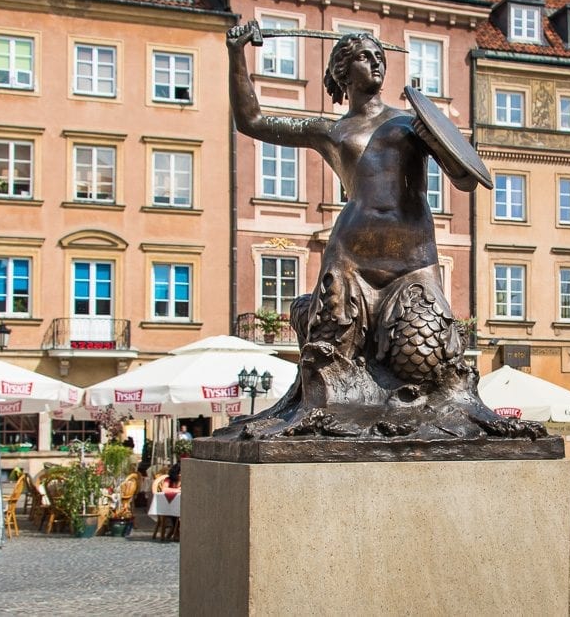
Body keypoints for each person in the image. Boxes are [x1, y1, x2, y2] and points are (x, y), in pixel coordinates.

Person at [223, 23, 534, 441]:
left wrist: (434, 140)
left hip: (413, 264)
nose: (376, 63)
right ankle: (311, 317)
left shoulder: (410, 123)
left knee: (422, 359)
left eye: (379, 57)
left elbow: (464, 178)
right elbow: (252, 120)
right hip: (351, 260)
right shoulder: (331, 130)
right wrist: (237, 55)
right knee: (330, 357)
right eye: (364, 56)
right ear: (341, 71)